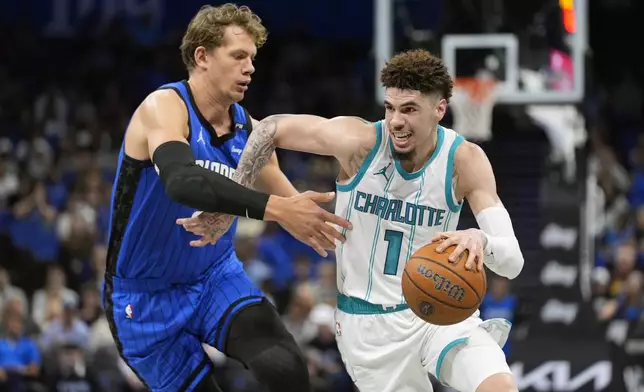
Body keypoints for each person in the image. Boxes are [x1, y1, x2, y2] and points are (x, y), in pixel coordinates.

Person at [182, 49, 525, 392]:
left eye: (409, 110)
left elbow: (511, 261)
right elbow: (270, 128)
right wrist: (231, 205)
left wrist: (481, 239)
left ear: (439, 110)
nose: (396, 121)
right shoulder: (360, 143)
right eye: (390, 108)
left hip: (440, 312)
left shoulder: (463, 160)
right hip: (368, 325)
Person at [105, 4, 350, 392]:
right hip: (145, 297)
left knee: (287, 369)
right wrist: (275, 209)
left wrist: (333, 232)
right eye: (238, 56)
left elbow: (296, 210)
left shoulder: (249, 129)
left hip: (215, 277)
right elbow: (181, 182)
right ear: (202, 56)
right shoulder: (164, 107)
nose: (250, 67)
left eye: (252, 58)